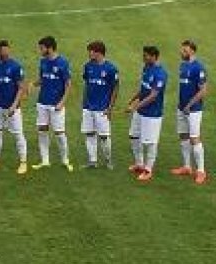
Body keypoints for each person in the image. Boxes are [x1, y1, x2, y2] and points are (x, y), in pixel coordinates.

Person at [0, 40, 28, 173]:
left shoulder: (15, 67)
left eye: (7, 49)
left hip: (13, 108)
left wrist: (14, 105)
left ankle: (23, 162)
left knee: (18, 134)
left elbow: (21, 88)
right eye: (3, 50)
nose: (6, 52)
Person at [127, 46, 168, 181]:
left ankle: (148, 169)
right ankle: (139, 163)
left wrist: (135, 106)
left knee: (151, 142)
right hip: (140, 111)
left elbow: (153, 95)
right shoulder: (146, 68)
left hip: (152, 114)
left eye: (146, 56)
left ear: (154, 56)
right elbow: (144, 88)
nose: (143, 58)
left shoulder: (160, 74)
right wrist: (133, 99)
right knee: (133, 136)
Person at [171, 40, 209, 184]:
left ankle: (201, 171)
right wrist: (182, 105)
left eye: (185, 50)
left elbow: (203, 90)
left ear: (192, 51)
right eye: (182, 50)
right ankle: (187, 167)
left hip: (193, 110)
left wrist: (189, 105)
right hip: (181, 107)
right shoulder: (183, 65)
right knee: (183, 136)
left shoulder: (199, 68)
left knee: (194, 138)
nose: (182, 52)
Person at [34, 36, 72, 171]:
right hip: (42, 102)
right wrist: (31, 85)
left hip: (56, 104)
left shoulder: (63, 63)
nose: (40, 50)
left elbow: (68, 85)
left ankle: (65, 160)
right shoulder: (43, 61)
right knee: (42, 131)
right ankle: (45, 160)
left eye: (42, 48)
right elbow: (42, 79)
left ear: (49, 48)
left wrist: (62, 102)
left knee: (59, 133)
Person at [80, 41, 119, 169]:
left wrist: (110, 108)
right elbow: (87, 84)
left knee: (104, 136)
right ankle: (92, 161)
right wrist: (84, 102)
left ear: (98, 52)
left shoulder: (111, 69)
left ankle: (108, 161)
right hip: (88, 107)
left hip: (102, 108)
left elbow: (115, 89)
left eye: (90, 51)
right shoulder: (88, 66)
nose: (88, 54)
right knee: (89, 133)